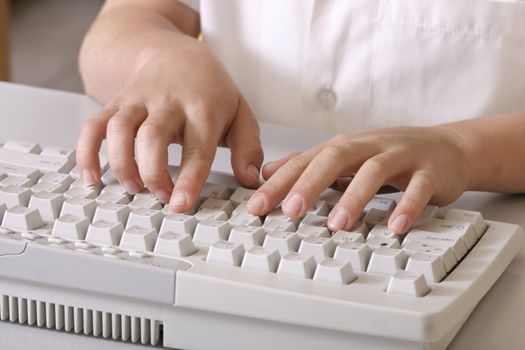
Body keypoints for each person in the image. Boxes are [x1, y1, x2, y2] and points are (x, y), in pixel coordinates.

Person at [77, 0, 525, 235]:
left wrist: (464, 150)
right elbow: (125, 19)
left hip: (468, 220)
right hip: (239, 205)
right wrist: (164, 58)